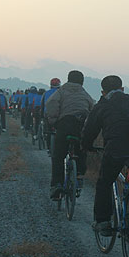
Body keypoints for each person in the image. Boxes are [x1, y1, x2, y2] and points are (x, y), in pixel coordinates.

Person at [81, 75, 129, 236]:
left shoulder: (102, 105)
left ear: (103, 91)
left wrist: (86, 146)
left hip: (116, 150)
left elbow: (90, 130)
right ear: (122, 89)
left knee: (105, 182)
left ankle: (103, 221)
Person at [45, 70, 94, 200]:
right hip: (81, 125)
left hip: (65, 125)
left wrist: (53, 121)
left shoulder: (61, 91)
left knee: (58, 156)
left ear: (67, 79)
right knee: (81, 151)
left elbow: (51, 104)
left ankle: (57, 185)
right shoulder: (85, 93)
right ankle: (79, 178)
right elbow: (92, 108)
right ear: (82, 81)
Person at [41, 78, 61, 155]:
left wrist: (42, 116)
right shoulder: (61, 93)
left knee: (49, 131)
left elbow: (42, 105)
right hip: (59, 115)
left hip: (47, 115)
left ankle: (49, 148)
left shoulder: (46, 93)